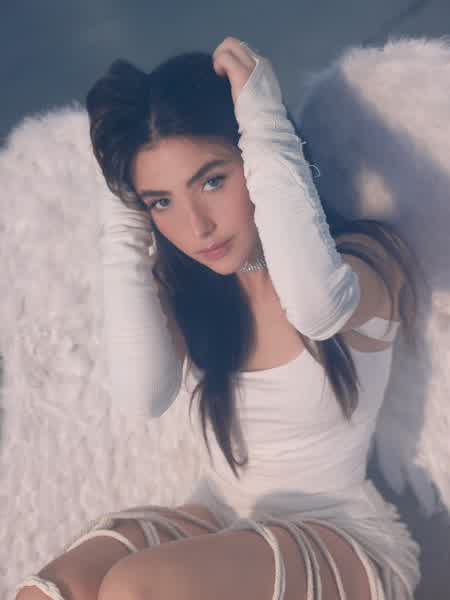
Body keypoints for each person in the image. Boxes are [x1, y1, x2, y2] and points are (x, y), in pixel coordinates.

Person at [16, 37, 422, 600]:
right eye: (160, 201)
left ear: (256, 159)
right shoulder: (191, 294)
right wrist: (122, 213)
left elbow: (315, 306)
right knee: (44, 594)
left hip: (340, 534)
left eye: (212, 180)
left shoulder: (364, 263)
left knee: (133, 588)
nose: (197, 226)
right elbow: (143, 396)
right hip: (217, 516)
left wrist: (267, 124)